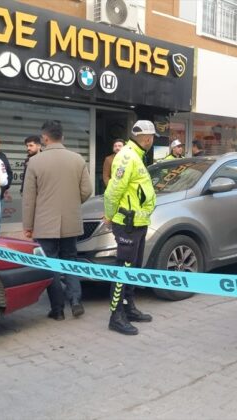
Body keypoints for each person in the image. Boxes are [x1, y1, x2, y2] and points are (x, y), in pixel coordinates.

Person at [23, 120, 92, 320]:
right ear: (63, 137)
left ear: (44, 138)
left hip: (44, 224)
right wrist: (72, 202)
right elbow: (87, 190)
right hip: (71, 221)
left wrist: (28, 226)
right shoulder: (78, 159)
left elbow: (29, 198)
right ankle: (76, 300)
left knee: (50, 264)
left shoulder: (35, 162)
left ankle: (58, 309)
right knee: (70, 259)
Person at [103, 120, 157, 335]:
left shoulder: (136, 155)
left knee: (132, 268)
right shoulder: (127, 156)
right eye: (152, 137)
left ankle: (129, 307)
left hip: (138, 222)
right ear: (147, 138)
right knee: (123, 269)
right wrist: (109, 215)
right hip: (127, 224)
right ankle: (115, 316)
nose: (152, 141)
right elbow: (113, 191)